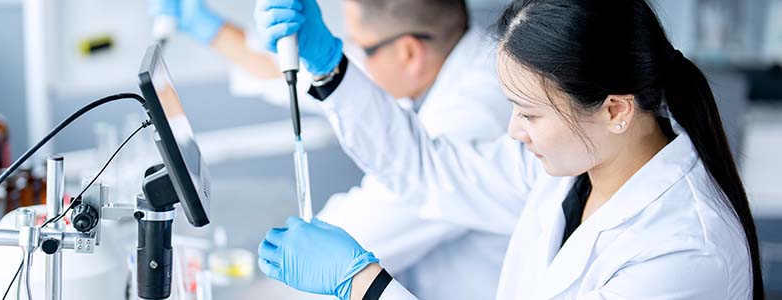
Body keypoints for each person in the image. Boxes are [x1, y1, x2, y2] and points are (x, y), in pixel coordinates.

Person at [252, 0, 765, 299]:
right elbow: (429, 169)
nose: (514, 130)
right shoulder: (575, 166)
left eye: (530, 113)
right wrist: (329, 65)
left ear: (615, 110)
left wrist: (365, 284)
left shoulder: (684, 252)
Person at [150, 0, 515, 299]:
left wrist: (264, 279)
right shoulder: (435, 60)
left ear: (408, 52)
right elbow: (314, 78)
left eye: (361, 47)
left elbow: (360, 232)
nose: (354, 57)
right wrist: (211, 28)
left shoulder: (474, 116)